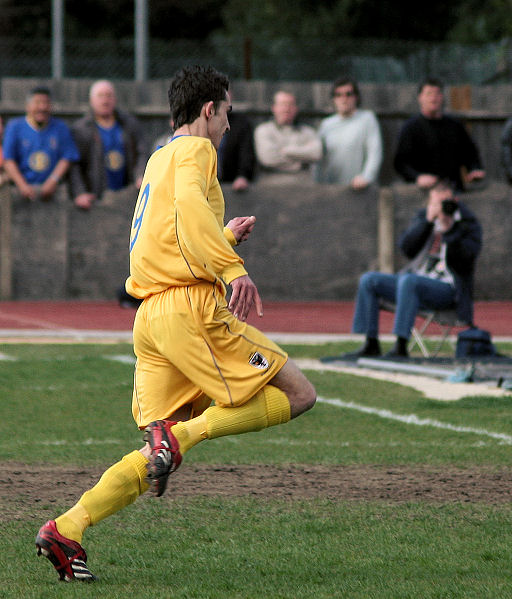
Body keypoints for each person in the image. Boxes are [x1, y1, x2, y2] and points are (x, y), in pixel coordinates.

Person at [34, 65, 316, 582]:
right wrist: (234, 269)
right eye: (227, 111)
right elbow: (189, 209)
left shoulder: (159, 157)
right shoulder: (197, 151)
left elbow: (163, 238)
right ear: (209, 109)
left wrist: (223, 239)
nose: (229, 124)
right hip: (191, 311)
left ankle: (67, 527)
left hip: (151, 316)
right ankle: (181, 436)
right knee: (299, 394)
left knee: (153, 452)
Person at [345, 179, 482, 359]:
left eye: (445, 203)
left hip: (448, 290)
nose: (440, 207)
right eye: (435, 203)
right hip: (414, 283)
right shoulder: (424, 217)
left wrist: (449, 230)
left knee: (409, 281)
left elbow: (465, 262)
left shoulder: (467, 224)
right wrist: (427, 222)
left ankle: (400, 345)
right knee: (369, 280)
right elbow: (406, 249)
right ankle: (371, 343)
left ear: (455, 202)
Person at [393, 77, 484, 192]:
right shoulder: (410, 128)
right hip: (422, 192)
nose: (433, 98)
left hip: (453, 189)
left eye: (437, 94)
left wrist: (474, 169)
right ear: (420, 98)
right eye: (429, 94)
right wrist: (417, 177)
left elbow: (470, 153)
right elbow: (401, 163)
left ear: (442, 97)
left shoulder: (455, 125)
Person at [69, 80, 148, 210]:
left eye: (109, 95)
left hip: (127, 197)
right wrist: (79, 193)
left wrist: (140, 175)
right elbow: (74, 164)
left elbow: (142, 152)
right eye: (100, 96)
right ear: (91, 101)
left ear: (115, 99)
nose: (105, 100)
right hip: (95, 199)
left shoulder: (129, 125)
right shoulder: (81, 129)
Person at [2, 86, 80, 201]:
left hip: (54, 191)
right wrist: (22, 185)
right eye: (37, 103)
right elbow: (8, 160)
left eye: (46, 103)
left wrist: (53, 180)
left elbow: (67, 157)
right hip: (20, 191)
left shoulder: (60, 127)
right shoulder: (14, 127)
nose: (42, 107)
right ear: (28, 106)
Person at [314, 77, 383, 190]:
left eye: (348, 94)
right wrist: (318, 183)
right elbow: (318, 158)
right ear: (334, 99)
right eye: (338, 95)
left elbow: (375, 152)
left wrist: (366, 177)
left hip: (360, 189)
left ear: (356, 97)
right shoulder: (326, 124)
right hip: (332, 189)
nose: (344, 99)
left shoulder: (367, 119)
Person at [253, 90, 322, 182]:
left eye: (290, 104)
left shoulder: (308, 132)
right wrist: (300, 164)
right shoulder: (263, 131)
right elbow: (268, 158)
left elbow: (316, 154)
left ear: (296, 109)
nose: (286, 109)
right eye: (282, 104)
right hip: (270, 189)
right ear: (274, 108)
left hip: (303, 190)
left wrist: (286, 151)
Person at [217, 90, 255, 191]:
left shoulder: (241, 123)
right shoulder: (200, 122)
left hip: (231, 183)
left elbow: (246, 153)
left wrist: (243, 176)